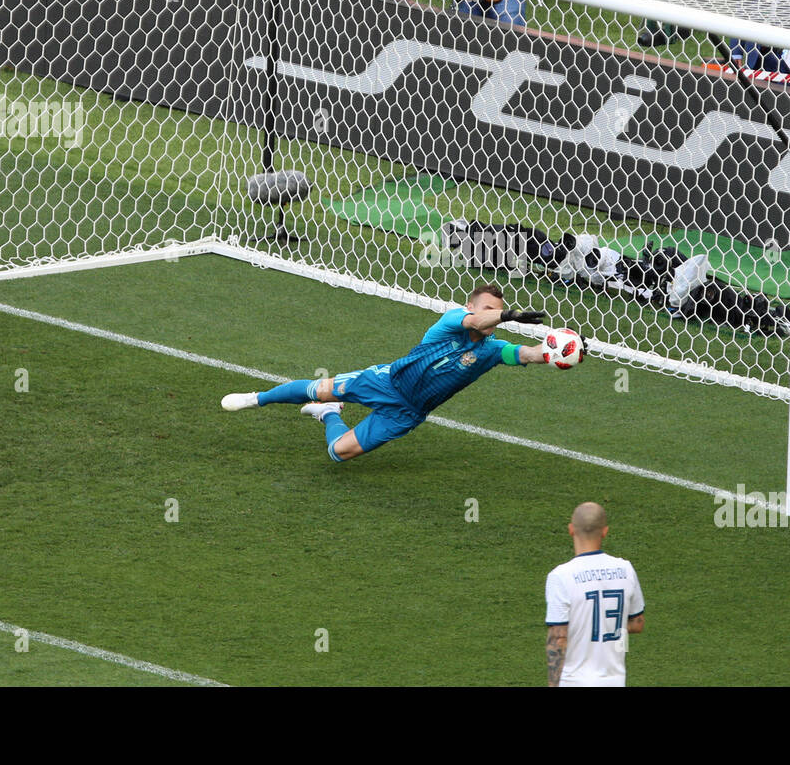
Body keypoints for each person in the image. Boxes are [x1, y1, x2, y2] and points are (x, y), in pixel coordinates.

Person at [221, 285, 574, 461]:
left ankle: (328, 416)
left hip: (408, 412)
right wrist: (508, 315)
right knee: (321, 387)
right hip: (386, 380)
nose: (492, 316)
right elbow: (477, 322)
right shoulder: (453, 321)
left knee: (339, 453)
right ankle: (258, 398)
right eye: (488, 308)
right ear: (471, 307)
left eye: (497, 311)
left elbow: (528, 354)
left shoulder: (493, 351)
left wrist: (563, 351)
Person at [545, 502, 645, 687]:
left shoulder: (561, 576)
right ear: (605, 531)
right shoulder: (625, 569)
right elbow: (637, 623)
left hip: (573, 681)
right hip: (615, 681)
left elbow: (558, 638)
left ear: (571, 529)